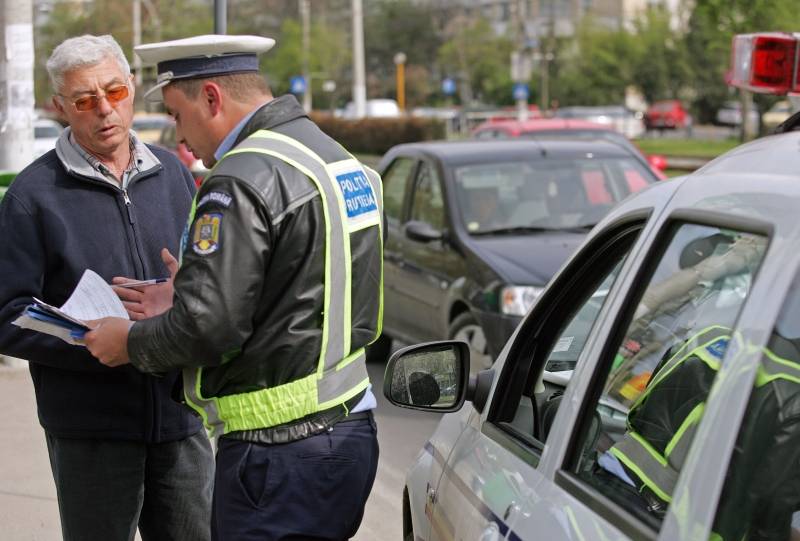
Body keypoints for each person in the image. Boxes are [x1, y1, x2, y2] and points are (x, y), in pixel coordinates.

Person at [84, 34, 384, 541]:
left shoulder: (239, 179)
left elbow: (208, 329)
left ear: (212, 98)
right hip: (347, 433)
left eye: (177, 115)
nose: (181, 140)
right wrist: (188, 293)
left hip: (277, 455)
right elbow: (309, 286)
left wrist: (128, 343)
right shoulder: (332, 157)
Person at [0, 35, 213, 541]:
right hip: (90, 434)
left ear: (133, 88)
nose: (104, 110)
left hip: (181, 421)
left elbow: (205, 278)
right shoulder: (33, 196)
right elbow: (5, 313)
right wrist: (89, 341)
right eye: (84, 100)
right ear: (60, 107)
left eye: (114, 92)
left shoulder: (175, 175)